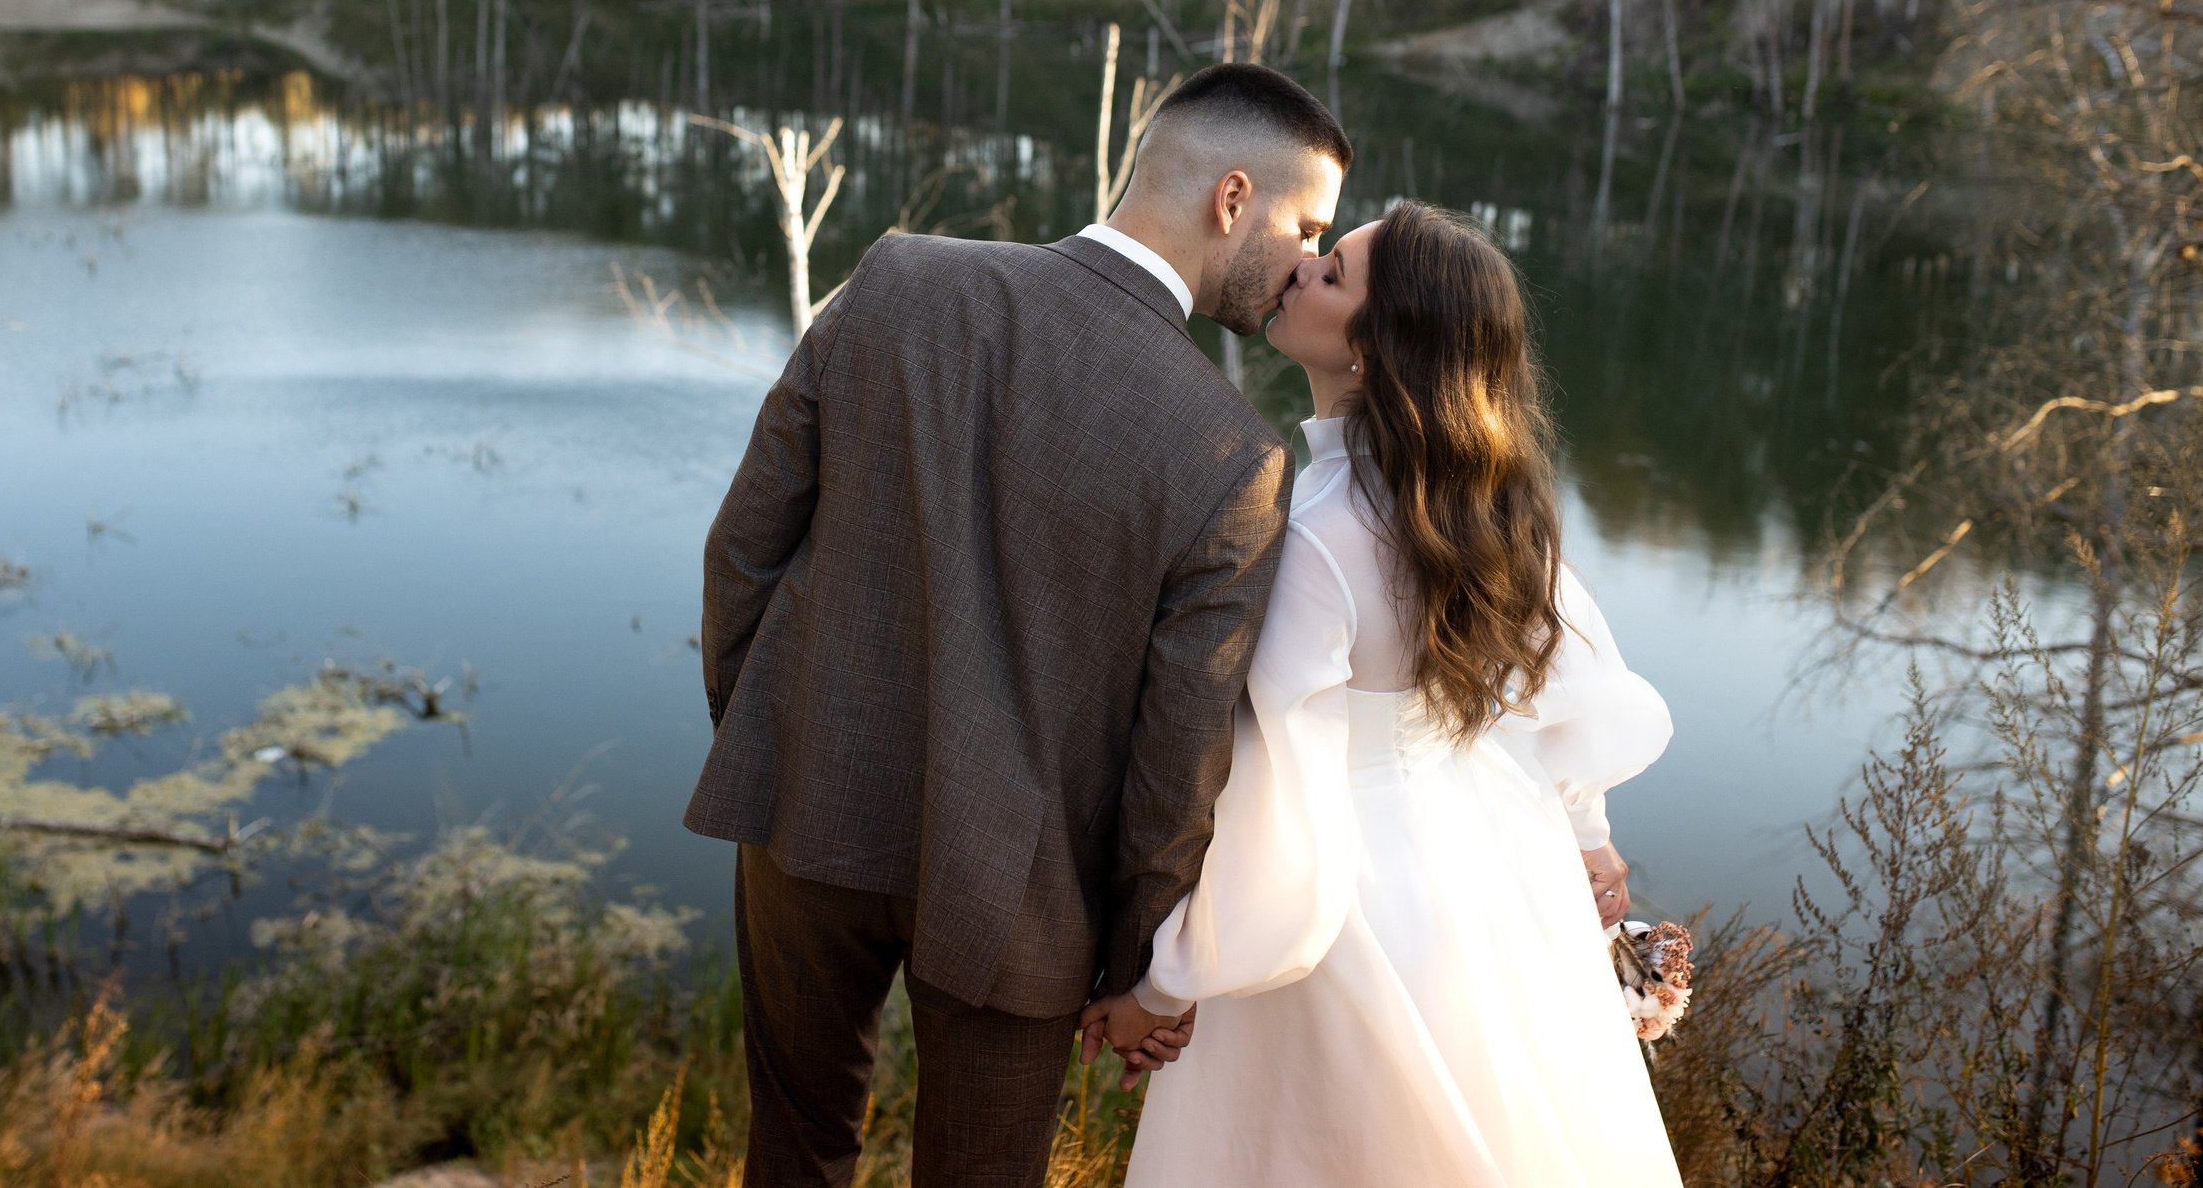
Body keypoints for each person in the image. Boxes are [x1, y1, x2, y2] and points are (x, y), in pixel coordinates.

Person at [686, 63, 1350, 1188]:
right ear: (1231, 200)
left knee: (792, 1150)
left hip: (804, 810)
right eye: (1307, 226)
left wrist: (770, 736)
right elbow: (1174, 751)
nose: (1304, 264)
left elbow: (745, 546)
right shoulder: (1233, 454)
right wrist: (1141, 960)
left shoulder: (896, 279)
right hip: (1023, 898)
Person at [1083, 201, 1683, 1187]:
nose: (1301, 265)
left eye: (1334, 273)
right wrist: (1583, 828)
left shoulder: (1312, 530)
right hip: (1480, 866)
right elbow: (1560, 678)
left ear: (1376, 347)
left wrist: (1167, 980)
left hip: (1344, 903)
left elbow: (1272, 790)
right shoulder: (1490, 499)